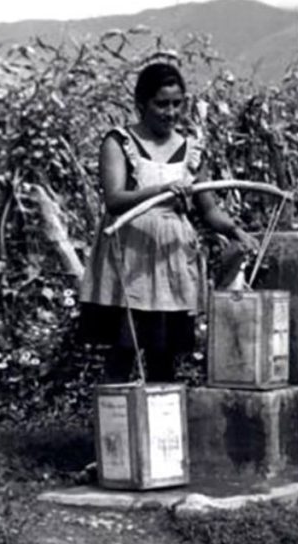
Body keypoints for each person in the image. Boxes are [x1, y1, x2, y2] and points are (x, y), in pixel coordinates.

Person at [79, 62, 258, 383]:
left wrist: (234, 230)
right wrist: (160, 190)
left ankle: (161, 425)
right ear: (141, 104)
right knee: (124, 347)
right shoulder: (120, 142)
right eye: (161, 104)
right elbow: (114, 199)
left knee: (163, 351)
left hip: (172, 257)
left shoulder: (191, 150)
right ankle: (115, 426)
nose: (170, 112)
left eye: (177, 103)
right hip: (129, 256)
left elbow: (208, 209)